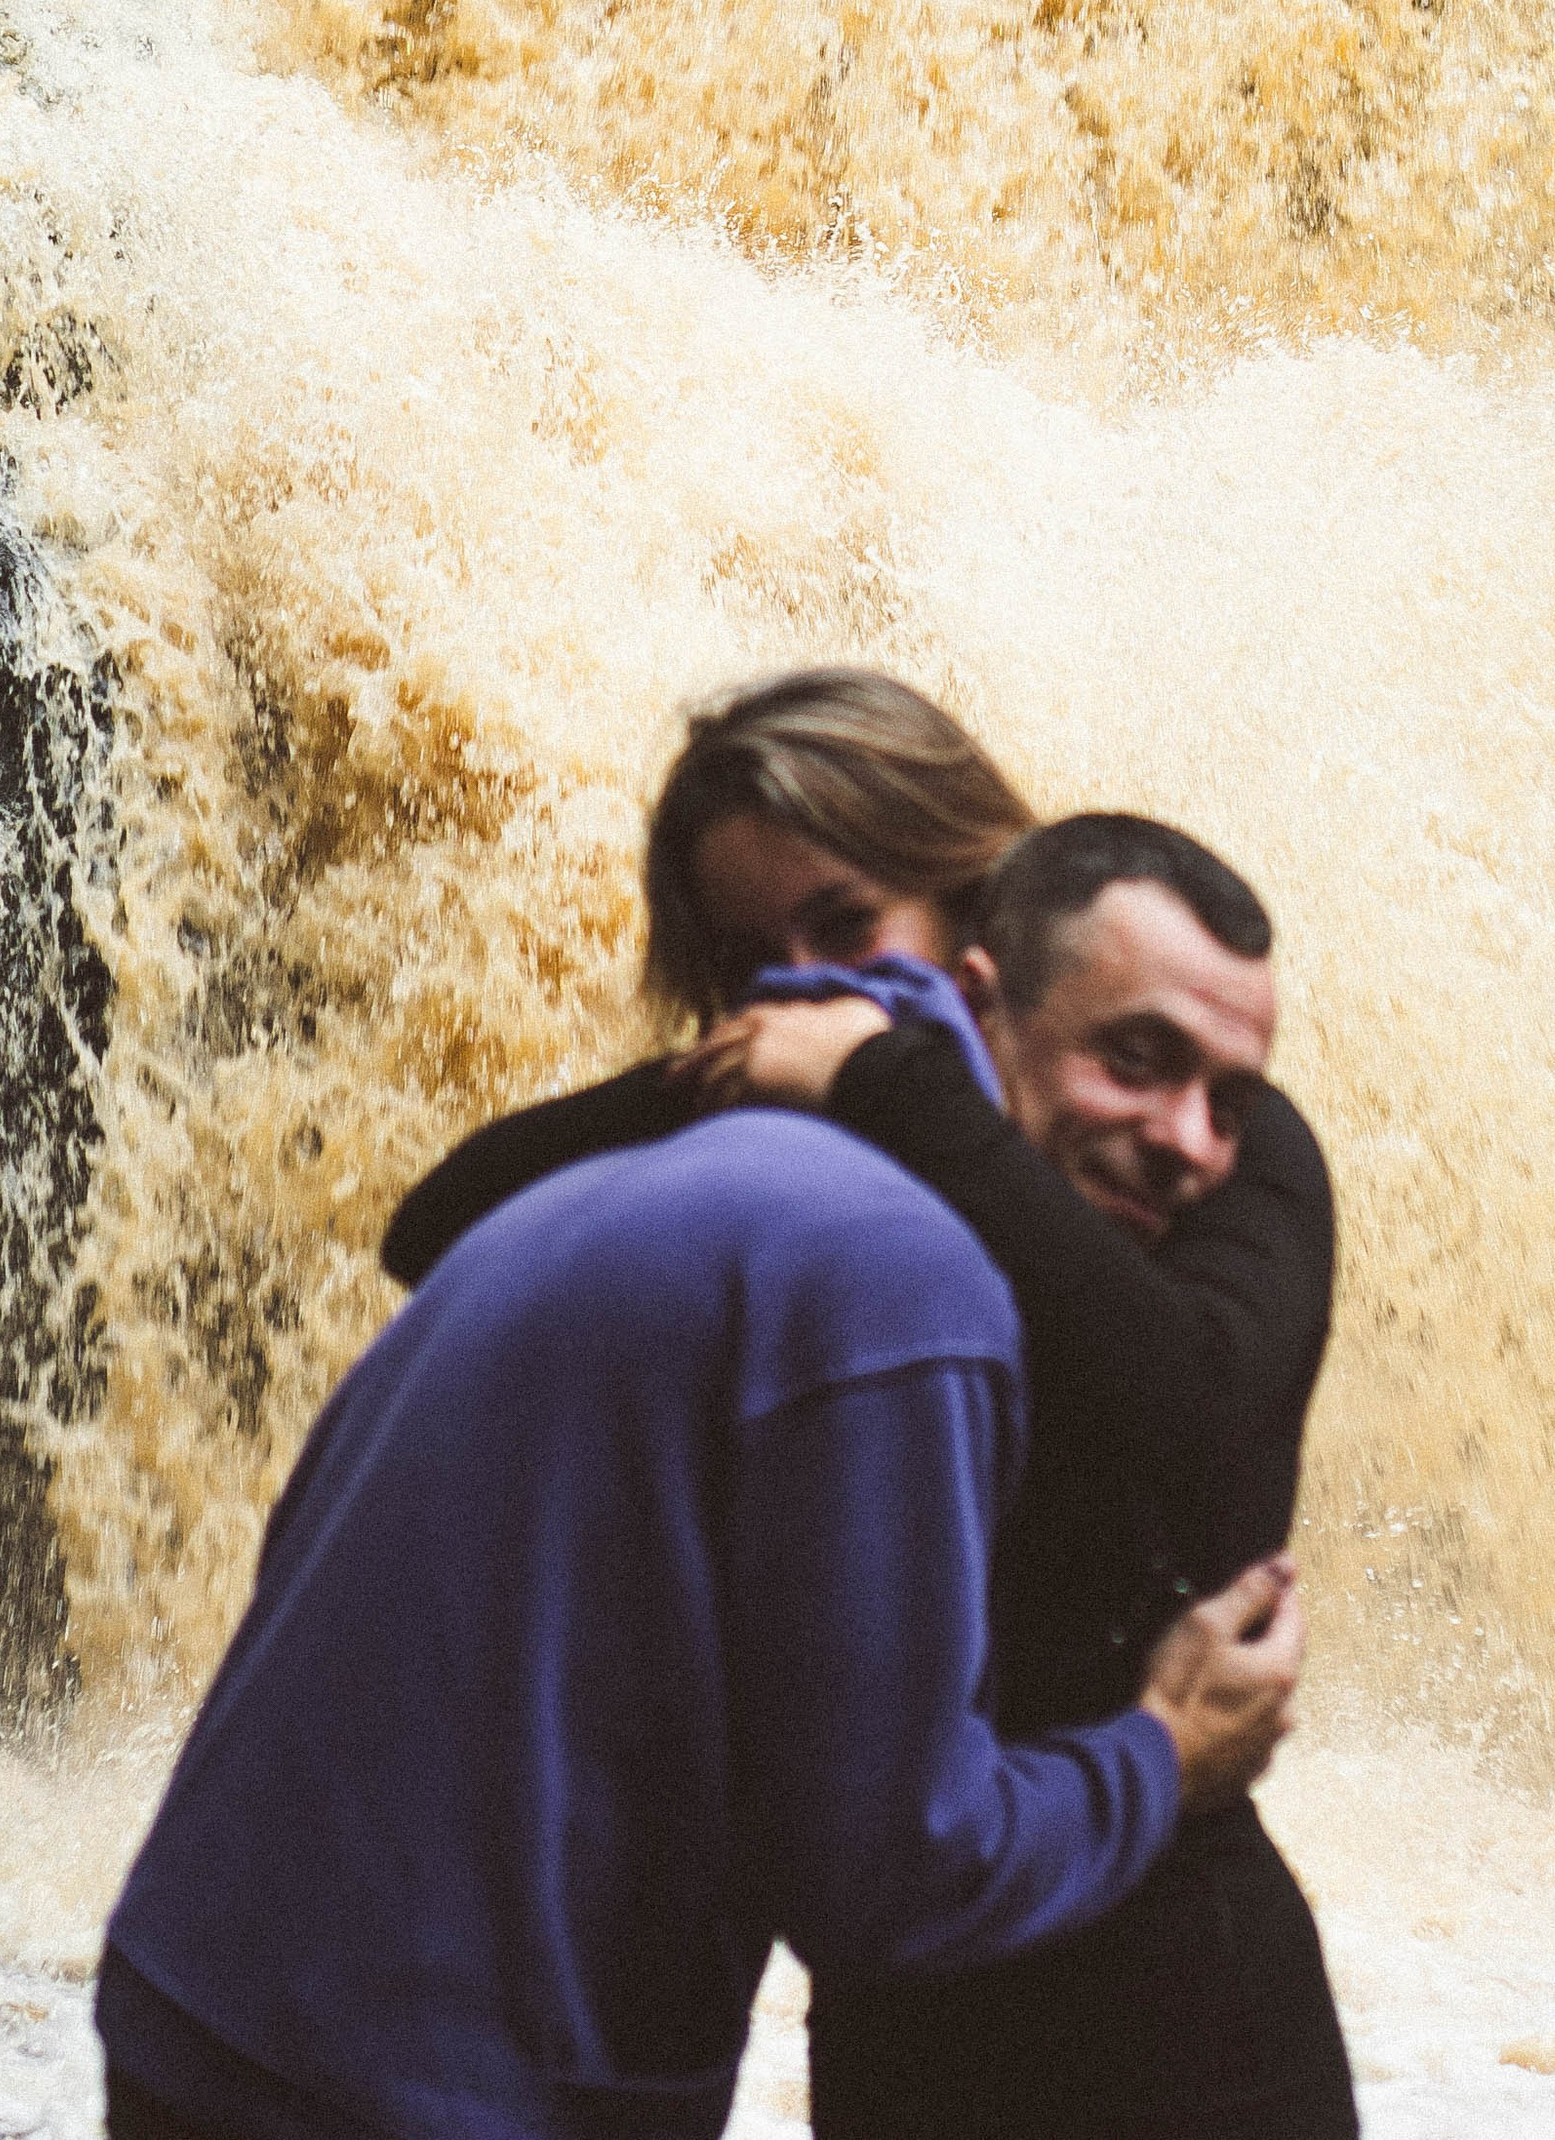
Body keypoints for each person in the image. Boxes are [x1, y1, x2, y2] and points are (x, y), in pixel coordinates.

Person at [387, 674, 1356, 2140]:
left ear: (977, 918)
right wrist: (745, 1080)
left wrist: (893, 1078)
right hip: (911, 1990)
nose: (794, 985)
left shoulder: (1211, 1133)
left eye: (844, 930)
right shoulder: (827, 1145)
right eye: (743, 957)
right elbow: (447, 1226)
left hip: (1183, 2006)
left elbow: (1193, 1409)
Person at [98, 1094, 1306, 2140]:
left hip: (210, 1997)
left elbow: (1202, 1408)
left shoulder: (853, 1217)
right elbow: (895, 1872)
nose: (1185, 1134)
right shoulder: (845, 1222)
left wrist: (888, 1077)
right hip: (474, 2062)